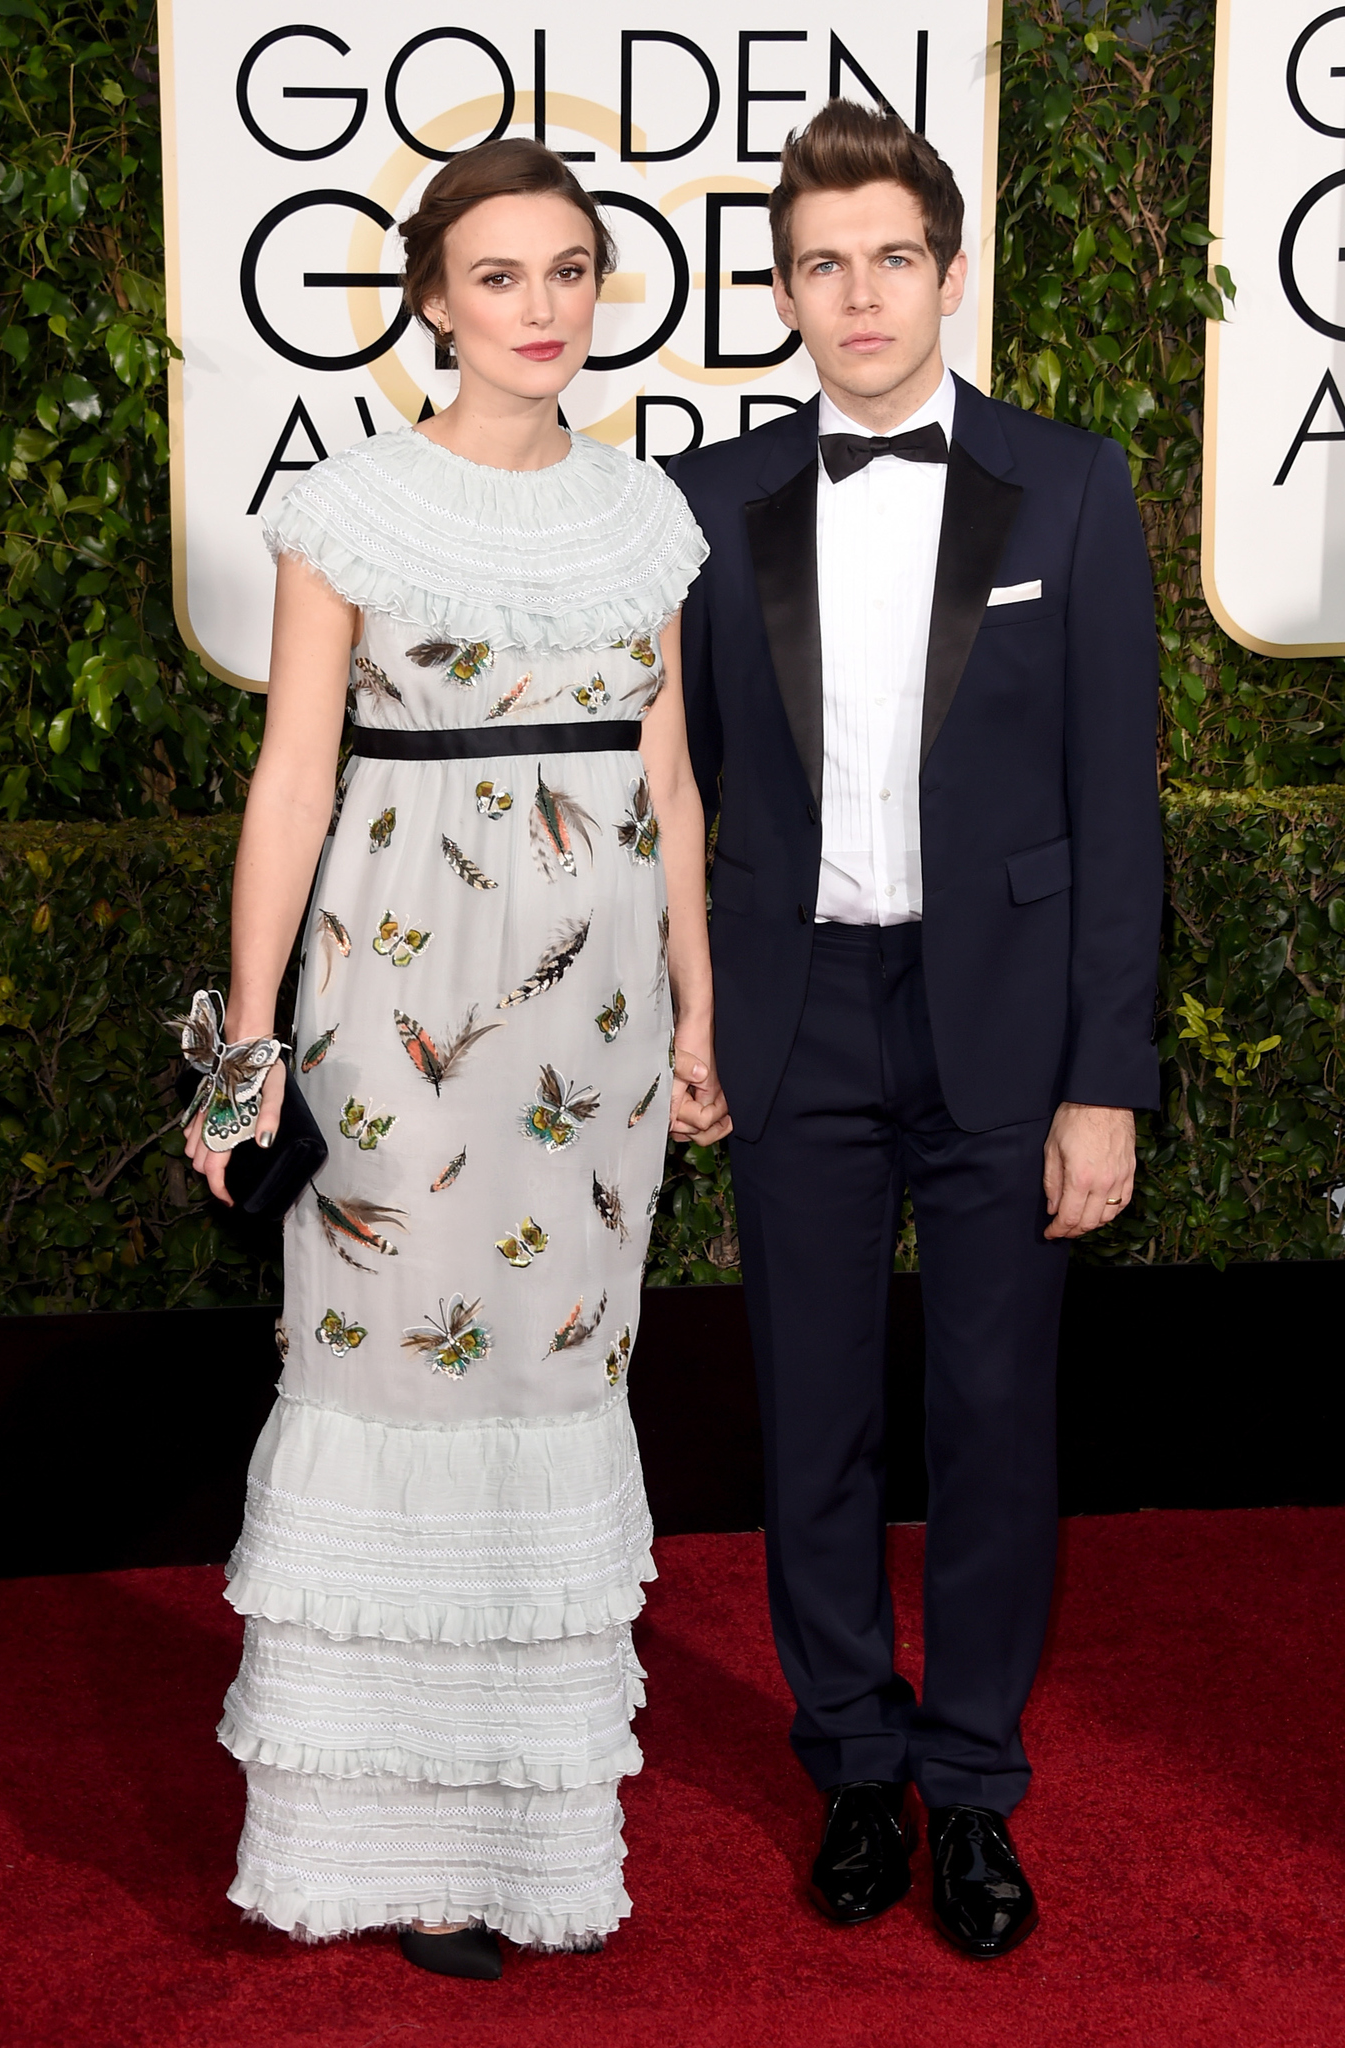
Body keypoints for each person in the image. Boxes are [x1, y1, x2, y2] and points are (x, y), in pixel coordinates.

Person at [181, 137, 728, 1980]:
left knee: (549, 1375)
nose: (542, 307)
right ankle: (382, 1828)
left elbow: (667, 783)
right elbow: (292, 780)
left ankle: (516, 1814)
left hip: (597, 1035)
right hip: (393, 1003)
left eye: (569, 269)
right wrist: (247, 1060)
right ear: (431, 299)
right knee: (394, 1372)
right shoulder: (351, 506)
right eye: (499, 276)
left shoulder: (648, 516)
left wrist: (702, 1000)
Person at [670, 99, 1161, 1959]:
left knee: (991, 1419)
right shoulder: (714, 503)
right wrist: (695, 1011)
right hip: (799, 1025)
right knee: (812, 1426)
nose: (857, 294)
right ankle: (849, 1766)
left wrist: (1104, 1081)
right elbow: (681, 795)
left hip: (1007, 1033)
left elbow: (1119, 811)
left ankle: (972, 1789)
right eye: (820, 263)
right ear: (782, 290)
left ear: (949, 274)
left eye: (891, 257)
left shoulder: (1076, 486)